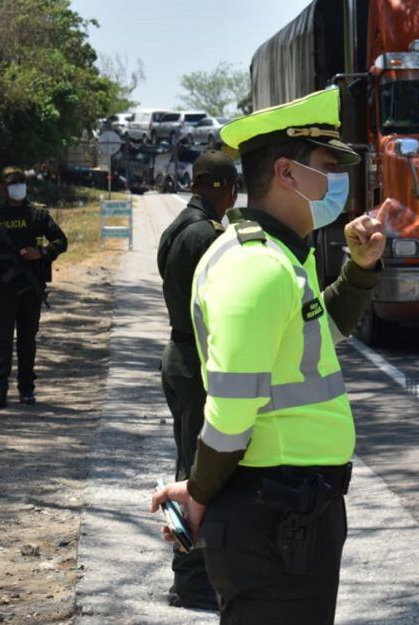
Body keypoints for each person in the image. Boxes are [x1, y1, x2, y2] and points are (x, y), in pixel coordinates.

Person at [151, 87, 390, 624]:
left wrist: (360, 269)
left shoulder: (282, 254)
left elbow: (318, 332)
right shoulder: (257, 265)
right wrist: (198, 493)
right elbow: (233, 409)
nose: (338, 182)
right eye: (328, 168)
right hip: (275, 513)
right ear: (286, 173)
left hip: (292, 509)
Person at [155, 150, 239, 610]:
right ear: (223, 187)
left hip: (178, 353)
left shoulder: (176, 227)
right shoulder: (206, 234)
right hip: (194, 359)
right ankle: (188, 580)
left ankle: (193, 575)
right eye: (232, 188)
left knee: (188, 463)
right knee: (193, 471)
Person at [0, 166, 67, 408]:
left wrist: (42, 252)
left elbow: (61, 241)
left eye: (21, 182)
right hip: (3, 288)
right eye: (12, 183)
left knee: (27, 339)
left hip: (30, 288)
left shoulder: (38, 215)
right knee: (2, 339)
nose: (17, 186)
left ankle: (26, 388)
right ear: (2, 188)